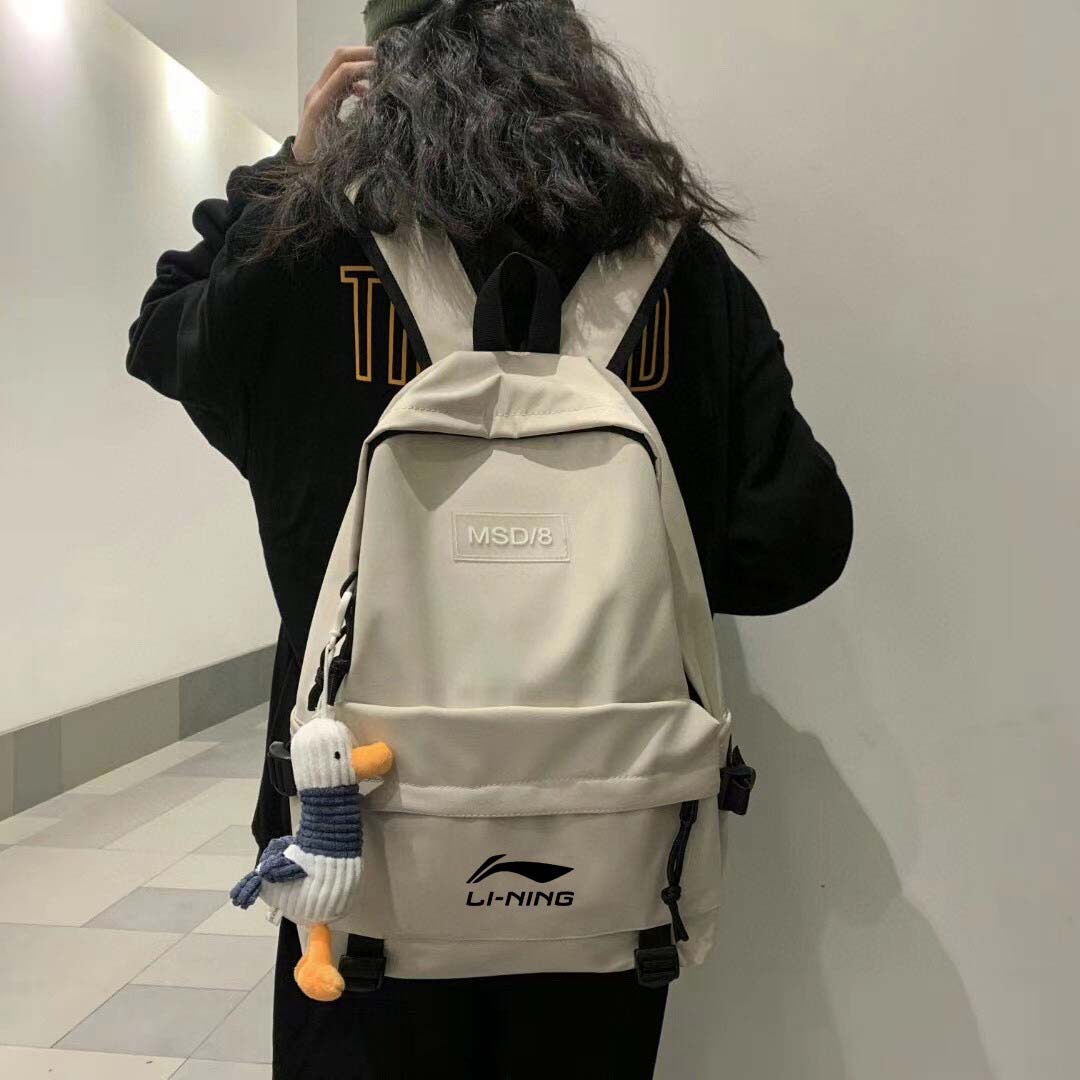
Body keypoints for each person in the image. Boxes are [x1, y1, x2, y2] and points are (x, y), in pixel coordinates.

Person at [127, 2, 853, 1076]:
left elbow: (161, 334)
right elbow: (799, 541)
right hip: (606, 857)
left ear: (383, 71)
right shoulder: (681, 270)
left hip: (357, 847)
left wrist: (288, 172)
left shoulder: (299, 257)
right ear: (570, 58)